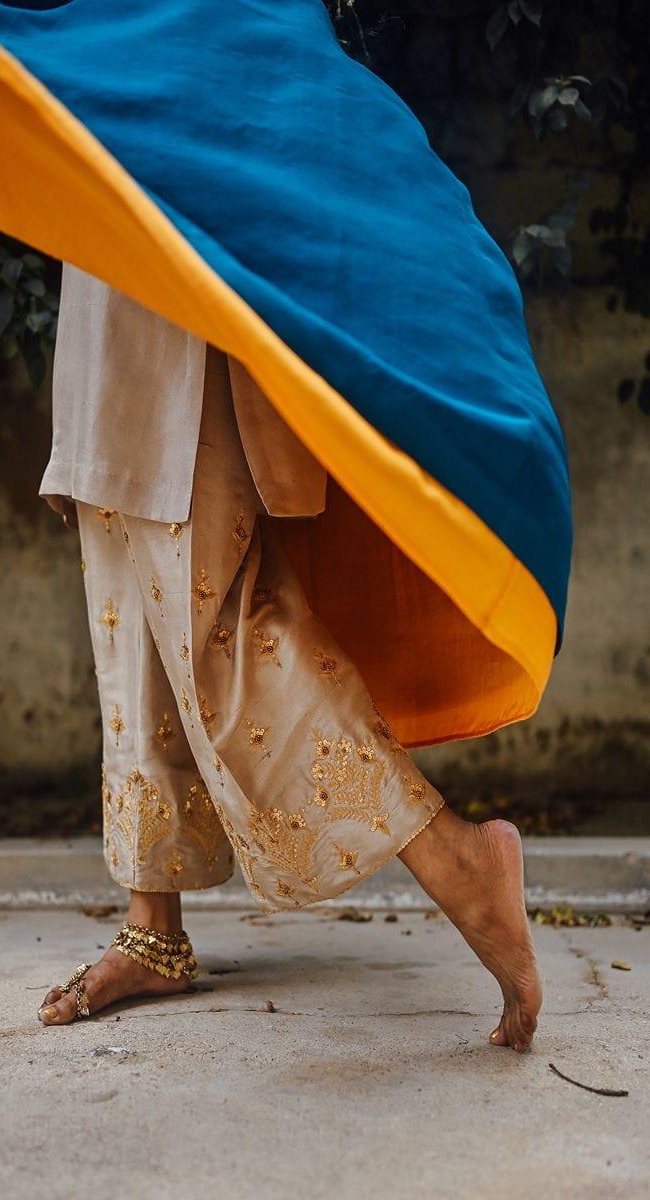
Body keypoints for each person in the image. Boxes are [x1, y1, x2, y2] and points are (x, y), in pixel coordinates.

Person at [37, 266, 541, 1053]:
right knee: (128, 599)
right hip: (103, 264)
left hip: (171, 250)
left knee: (218, 616)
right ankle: (153, 931)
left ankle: (457, 860)